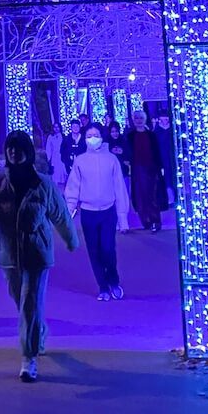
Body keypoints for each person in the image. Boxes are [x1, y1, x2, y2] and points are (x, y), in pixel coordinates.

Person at [0, 131, 78, 383]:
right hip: (8, 255)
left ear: (28, 151)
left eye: (18, 148)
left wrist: (70, 240)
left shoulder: (42, 184)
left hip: (37, 254)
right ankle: (38, 331)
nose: (13, 153)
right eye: (10, 148)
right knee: (21, 302)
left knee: (29, 304)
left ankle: (28, 358)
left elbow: (60, 214)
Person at [65, 122, 129, 300]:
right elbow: (72, 189)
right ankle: (102, 287)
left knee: (108, 248)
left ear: (102, 137)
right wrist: (68, 215)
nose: (92, 139)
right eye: (89, 136)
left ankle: (113, 280)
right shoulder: (80, 161)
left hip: (108, 212)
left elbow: (119, 188)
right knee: (94, 251)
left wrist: (122, 219)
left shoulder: (111, 160)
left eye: (96, 135)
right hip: (88, 212)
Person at [126, 109, 164, 232]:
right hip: (137, 169)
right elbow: (128, 153)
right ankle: (145, 221)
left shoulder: (151, 135)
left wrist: (160, 168)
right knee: (140, 196)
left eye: (141, 118)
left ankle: (155, 221)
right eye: (136, 118)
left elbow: (158, 152)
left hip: (151, 169)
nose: (139, 121)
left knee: (152, 195)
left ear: (145, 119)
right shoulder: (130, 136)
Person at [153, 111, 176, 210]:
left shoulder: (172, 130)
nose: (165, 121)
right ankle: (167, 200)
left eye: (166, 119)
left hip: (172, 159)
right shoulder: (157, 132)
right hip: (162, 159)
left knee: (172, 179)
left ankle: (173, 199)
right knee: (165, 180)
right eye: (163, 119)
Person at [44, 121, 67, 188]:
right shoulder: (50, 137)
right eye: (55, 127)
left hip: (62, 156)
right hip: (54, 156)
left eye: (58, 127)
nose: (56, 129)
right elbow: (48, 148)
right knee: (55, 173)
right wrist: (48, 158)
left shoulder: (63, 136)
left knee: (62, 172)